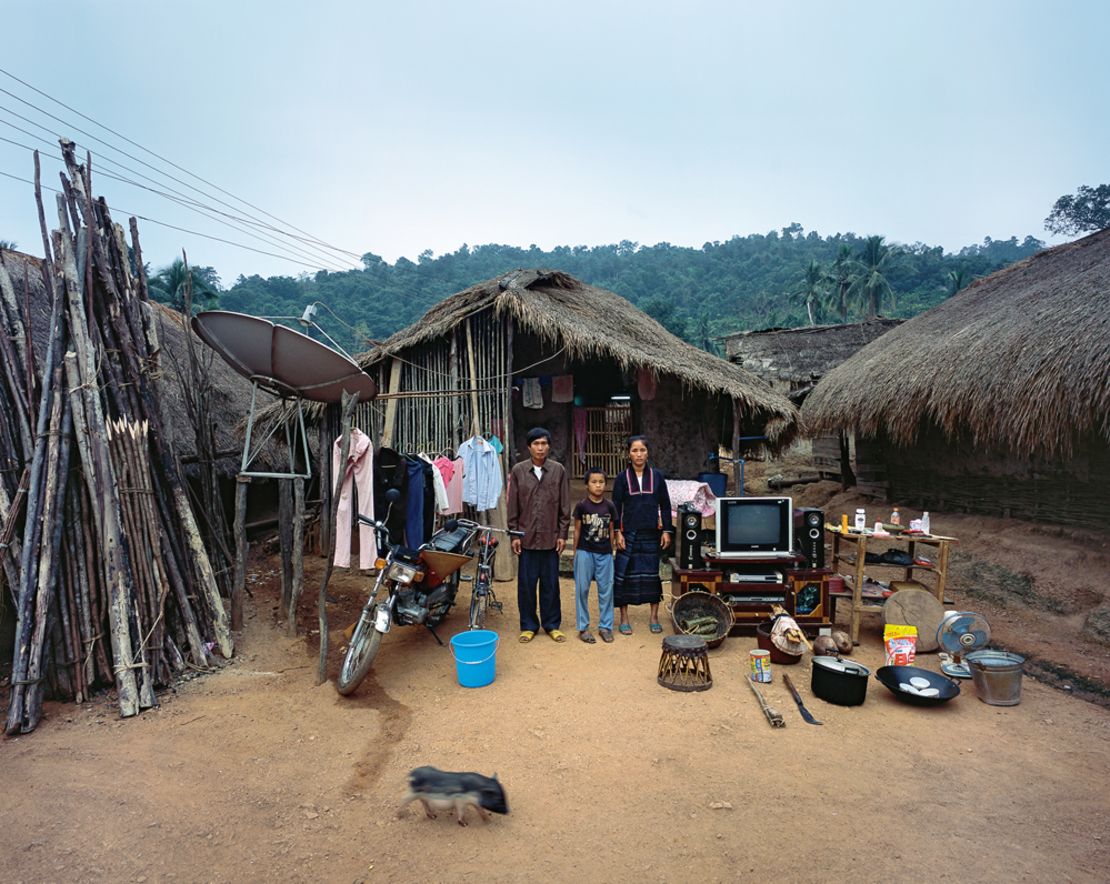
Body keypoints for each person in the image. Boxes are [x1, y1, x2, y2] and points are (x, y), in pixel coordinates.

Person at [507, 427, 571, 643]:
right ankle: (528, 625)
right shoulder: (518, 471)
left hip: (551, 539)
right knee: (526, 585)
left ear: (549, 446)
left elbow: (564, 505)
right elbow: (512, 505)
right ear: (529, 447)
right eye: (536, 444)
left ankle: (552, 625)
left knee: (551, 585)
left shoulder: (558, 470)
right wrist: (514, 535)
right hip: (526, 539)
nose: (540, 448)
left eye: (544, 444)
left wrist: (563, 534)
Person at [612, 435, 672, 635]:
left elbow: (664, 504)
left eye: (642, 450)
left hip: (650, 533)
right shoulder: (621, 478)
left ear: (648, 452)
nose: (639, 454)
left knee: (651, 574)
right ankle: (624, 617)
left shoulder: (657, 476)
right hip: (628, 533)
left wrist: (666, 530)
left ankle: (653, 617)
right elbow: (616, 507)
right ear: (628, 454)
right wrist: (617, 532)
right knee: (624, 575)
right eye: (634, 450)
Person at [572, 468, 617, 644]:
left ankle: (605, 627)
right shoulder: (581, 506)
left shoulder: (610, 506)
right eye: (594, 482)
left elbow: (612, 530)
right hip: (584, 552)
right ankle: (583, 628)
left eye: (601, 482)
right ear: (587, 484)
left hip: (604, 553)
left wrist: (611, 550)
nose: (598, 485)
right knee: (582, 589)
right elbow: (577, 530)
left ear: (605, 484)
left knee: (606, 591)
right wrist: (576, 553)